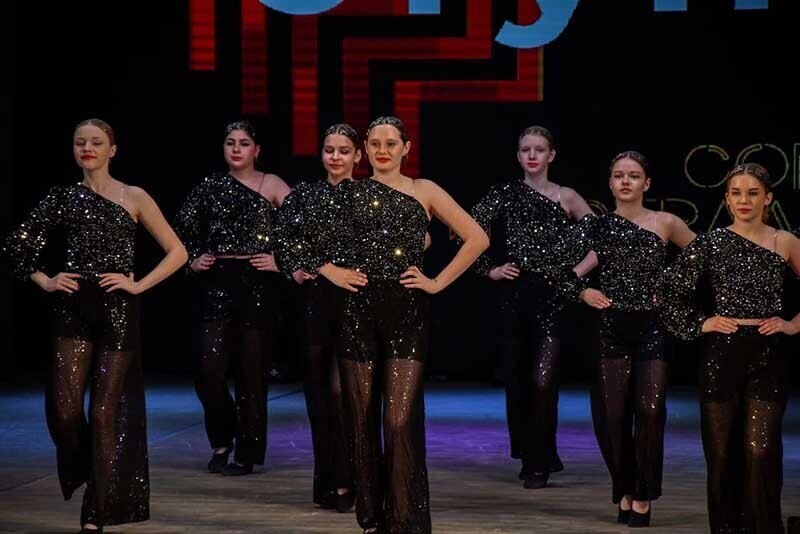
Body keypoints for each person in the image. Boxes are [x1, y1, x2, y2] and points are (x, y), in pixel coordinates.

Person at [3, 119, 187, 533]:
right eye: (80, 142)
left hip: (117, 308)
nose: (87, 148)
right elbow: (18, 244)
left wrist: (138, 285)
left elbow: (178, 251)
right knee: (66, 413)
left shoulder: (133, 196)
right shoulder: (62, 197)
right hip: (72, 307)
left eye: (96, 142)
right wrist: (45, 280)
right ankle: (93, 469)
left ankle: (95, 510)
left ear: (112, 150)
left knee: (104, 414)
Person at [318, 116, 488, 533]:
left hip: (407, 313)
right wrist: (331, 270)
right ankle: (372, 517)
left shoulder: (423, 189)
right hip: (357, 310)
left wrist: (437, 282)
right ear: (365, 150)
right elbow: (298, 238)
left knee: (397, 421)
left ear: (406, 148)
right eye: (375, 143)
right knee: (361, 420)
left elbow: (477, 238)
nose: (382, 150)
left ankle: (404, 519)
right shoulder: (349, 193)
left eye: (391, 143)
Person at [658, 163, 800, 534]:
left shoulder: (784, 241)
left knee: (759, 449)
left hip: (768, 353)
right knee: (721, 453)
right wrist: (701, 322)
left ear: (768, 198)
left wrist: (793, 324)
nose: (744, 200)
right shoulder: (712, 242)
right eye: (736, 193)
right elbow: (668, 290)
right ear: (726, 199)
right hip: (721, 354)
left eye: (753, 193)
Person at [470, 125, 595, 489]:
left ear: (551, 155)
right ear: (518, 155)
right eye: (526, 149)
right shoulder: (505, 194)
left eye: (539, 149)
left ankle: (540, 461)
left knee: (543, 381)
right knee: (518, 380)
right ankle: (530, 454)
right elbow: (469, 230)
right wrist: (489, 269)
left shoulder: (567, 196)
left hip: (552, 297)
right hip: (514, 296)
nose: (532, 155)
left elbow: (601, 241)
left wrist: (574, 273)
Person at [577, 151, 695, 527]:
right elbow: (564, 270)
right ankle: (624, 488)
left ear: (647, 183)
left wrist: (672, 287)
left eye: (633, 175)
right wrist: (582, 291)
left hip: (653, 327)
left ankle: (642, 494)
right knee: (613, 418)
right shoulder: (599, 227)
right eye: (618, 175)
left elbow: (705, 260)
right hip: (611, 328)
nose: (625, 181)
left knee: (650, 411)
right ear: (610, 183)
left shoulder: (666, 222)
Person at [174, 120, 290, 476]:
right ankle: (222, 439)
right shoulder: (210, 186)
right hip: (216, 281)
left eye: (244, 143)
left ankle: (247, 451)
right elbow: (178, 228)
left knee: (251, 374)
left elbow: (303, 228)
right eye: (230, 142)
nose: (236, 148)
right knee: (209, 371)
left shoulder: (271, 184)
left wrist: (280, 260)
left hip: (256, 282)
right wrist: (193, 258)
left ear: (257, 150)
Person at [273, 123, 362, 511]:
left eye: (344, 150)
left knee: (346, 393)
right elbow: (282, 240)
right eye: (329, 150)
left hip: (359, 300)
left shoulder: (370, 195)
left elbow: (408, 237)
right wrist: (300, 269)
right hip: (317, 302)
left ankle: (348, 480)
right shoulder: (304, 195)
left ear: (358, 155)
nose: (335, 157)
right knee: (320, 394)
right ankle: (328, 480)